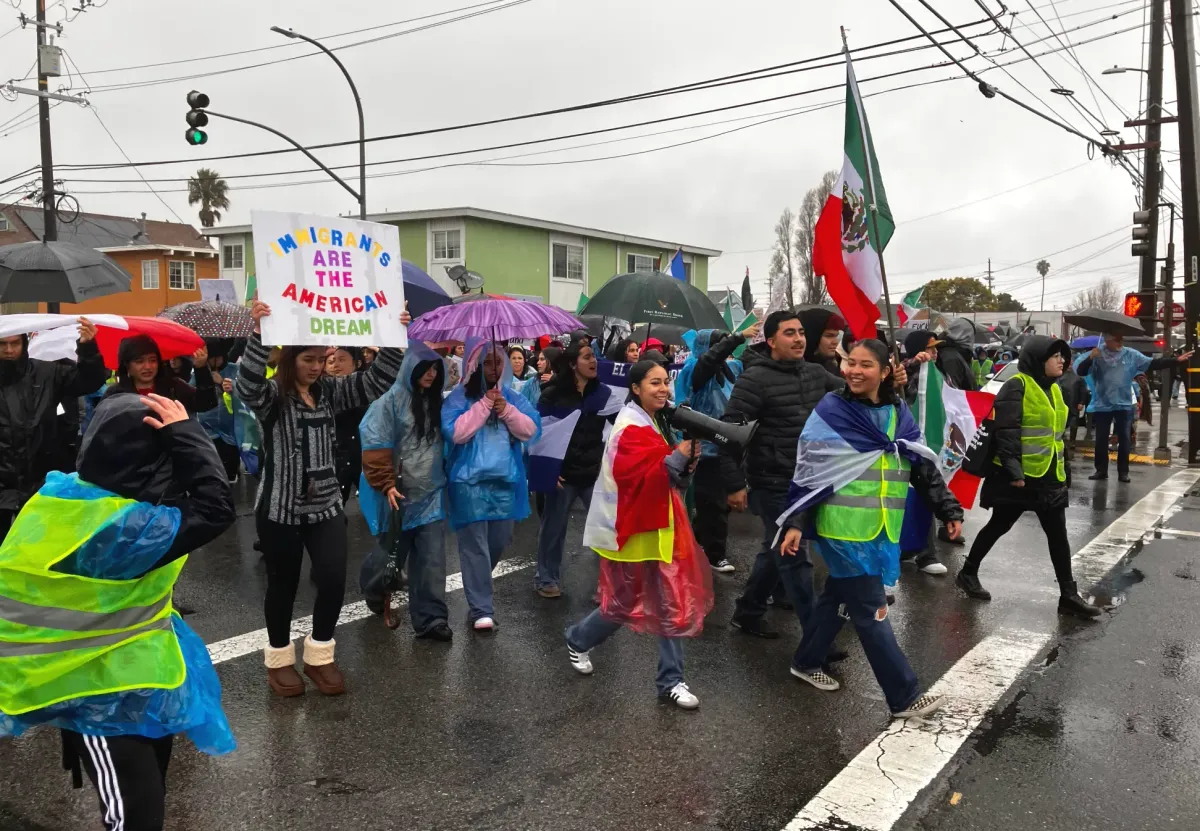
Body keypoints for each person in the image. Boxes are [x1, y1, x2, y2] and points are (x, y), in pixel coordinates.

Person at [0, 393, 236, 831]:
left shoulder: (64, 499)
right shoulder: (126, 529)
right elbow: (215, 507)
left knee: (142, 802)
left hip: (121, 676)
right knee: (134, 816)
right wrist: (188, 436)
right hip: (97, 694)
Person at [779, 340, 962, 719]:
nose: (854, 371)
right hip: (841, 530)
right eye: (850, 363)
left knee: (836, 598)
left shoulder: (898, 412)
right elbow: (811, 472)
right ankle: (905, 697)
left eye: (865, 365)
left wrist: (947, 508)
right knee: (870, 609)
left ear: (884, 371)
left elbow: (923, 466)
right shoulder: (833, 411)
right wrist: (796, 522)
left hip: (879, 528)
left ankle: (806, 660)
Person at [235, 300, 405, 697]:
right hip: (279, 508)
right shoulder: (271, 398)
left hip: (326, 506)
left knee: (331, 579)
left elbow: (374, 382)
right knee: (283, 584)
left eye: (319, 359)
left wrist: (395, 338)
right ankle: (279, 658)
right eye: (307, 359)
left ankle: (320, 656)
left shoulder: (329, 392)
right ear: (290, 359)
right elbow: (246, 385)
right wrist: (259, 334)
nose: (315, 367)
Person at [721, 310, 906, 639]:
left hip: (807, 481)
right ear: (771, 340)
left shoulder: (815, 373)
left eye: (801, 332)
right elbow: (730, 432)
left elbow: (854, 395)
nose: (799, 339)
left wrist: (889, 379)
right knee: (796, 558)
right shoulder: (754, 379)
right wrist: (734, 483)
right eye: (789, 333)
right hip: (772, 480)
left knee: (774, 548)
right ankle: (816, 638)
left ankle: (748, 611)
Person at [567, 360, 714, 709]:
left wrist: (685, 462)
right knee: (621, 603)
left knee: (671, 600)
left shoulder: (658, 420)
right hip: (632, 526)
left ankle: (671, 681)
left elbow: (670, 475)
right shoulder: (630, 425)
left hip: (661, 522)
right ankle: (577, 638)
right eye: (654, 383)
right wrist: (677, 458)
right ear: (635, 388)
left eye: (666, 382)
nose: (663, 389)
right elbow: (637, 472)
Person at [955, 336, 1101, 618]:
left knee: (1057, 533)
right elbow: (1006, 431)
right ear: (1037, 359)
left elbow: (1054, 437)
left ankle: (1068, 595)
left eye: (1063, 356)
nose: (1062, 360)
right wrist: (1014, 472)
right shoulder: (1017, 385)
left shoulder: (1055, 389)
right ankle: (968, 572)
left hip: (1048, 474)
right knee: (1000, 524)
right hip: (1018, 477)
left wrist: (1064, 469)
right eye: (1054, 356)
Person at [442, 338, 541, 632]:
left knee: (497, 544)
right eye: (486, 362)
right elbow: (456, 433)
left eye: (498, 362)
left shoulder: (514, 397)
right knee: (475, 548)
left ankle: (477, 590)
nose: (492, 368)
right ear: (474, 365)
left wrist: (507, 410)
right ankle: (481, 609)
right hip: (467, 483)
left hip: (505, 482)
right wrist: (485, 405)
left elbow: (531, 431)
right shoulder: (459, 398)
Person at [360, 343, 452, 641]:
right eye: (425, 368)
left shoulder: (438, 403)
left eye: (436, 368)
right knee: (390, 555)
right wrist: (386, 483)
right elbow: (375, 445)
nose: (431, 373)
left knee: (431, 560)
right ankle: (373, 588)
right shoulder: (389, 403)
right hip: (397, 494)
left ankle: (431, 619)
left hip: (431, 495)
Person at [0, 319, 107, 544]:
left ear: (24, 343)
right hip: (3, 484)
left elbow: (89, 381)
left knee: (35, 551)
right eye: (2, 344)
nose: (9, 350)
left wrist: (87, 348)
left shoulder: (48, 373)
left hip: (40, 483)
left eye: (14, 343)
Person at [674, 323, 761, 573]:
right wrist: (737, 337)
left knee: (720, 503)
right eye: (718, 345)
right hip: (706, 448)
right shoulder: (695, 369)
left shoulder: (730, 369)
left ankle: (702, 541)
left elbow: (750, 360)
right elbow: (710, 361)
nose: (725, 353)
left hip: (729, 446)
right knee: (713, 503)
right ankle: (716, 555)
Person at [533, 341, 608, 598]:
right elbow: (538, 433)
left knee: (605, 528)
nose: (593, 361)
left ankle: (606, 585)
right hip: (562, 475)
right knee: (554, 528)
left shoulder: (604, 394)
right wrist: (546, 470)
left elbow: (620, 427)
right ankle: (546, 578)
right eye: (587, 357)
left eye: (594, 357)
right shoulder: (552, 394)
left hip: (593, 474)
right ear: (573, 363)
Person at [1075, 332, 1192, 482]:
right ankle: (1101, 470)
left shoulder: (1130, 354)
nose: (1120, 342)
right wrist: (1091, 357)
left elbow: (1152, 364)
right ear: (1107, 340)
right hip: (1103, 404)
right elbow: (1081, 371)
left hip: (1124, 403)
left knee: (1125, 439)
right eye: (1117, 339)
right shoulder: (1097, 354)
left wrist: (1175, 360)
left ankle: (1123, 472)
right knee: (1101, 439)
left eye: (1121, 339)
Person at [106, 335, 218, 413]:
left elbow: (206, 403)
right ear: (127, 365)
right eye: (139, 361)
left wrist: (201, 368)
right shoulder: (115, 394)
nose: (148, 366)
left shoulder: (173, 387)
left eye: (153, 360)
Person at [325, 346, 367, 504]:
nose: (335, 365)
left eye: (342, 360)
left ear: (357, 363)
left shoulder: (367, 390)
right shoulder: (325, 390)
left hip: (364, 459)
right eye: (333, 360)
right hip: (337, 459)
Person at [196, 343, 241, 482]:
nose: (215, 361)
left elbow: (244, 392)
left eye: (218, 357)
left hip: (230, 425)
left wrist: (223, 382)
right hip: (207, 425)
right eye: (212, 358)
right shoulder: (200, 371)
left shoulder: (234, 369)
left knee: (230, 459)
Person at [798, 307, 847, 378]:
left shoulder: (833, 369)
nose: (835, 342)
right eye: (829, 336)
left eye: (836, 336)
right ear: (812, 337)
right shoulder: (795, 371)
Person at [935, 318, 978, 392]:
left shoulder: (959, 354)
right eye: (972, 336)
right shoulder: (951, 357)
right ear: (966, 335)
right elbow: (952, 392)